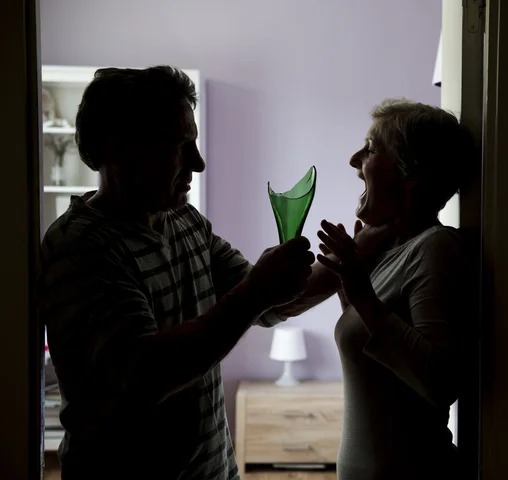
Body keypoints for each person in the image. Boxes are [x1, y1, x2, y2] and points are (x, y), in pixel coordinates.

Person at [38, 66, 322, 480]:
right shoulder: (79, 246)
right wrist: (257, 292)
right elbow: (146, 375)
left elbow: (273, 305)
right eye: (179, 145)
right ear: (118, 151)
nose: (199, 163)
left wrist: (361, 253)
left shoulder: (185, 220)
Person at [295, 99, 476, 479]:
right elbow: (378, 357)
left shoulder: (437, 248)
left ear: (410, 173)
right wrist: (352, 281)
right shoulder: (389, 250)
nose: (354, 159)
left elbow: (441, 381)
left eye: (372, 147)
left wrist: (359, 291)